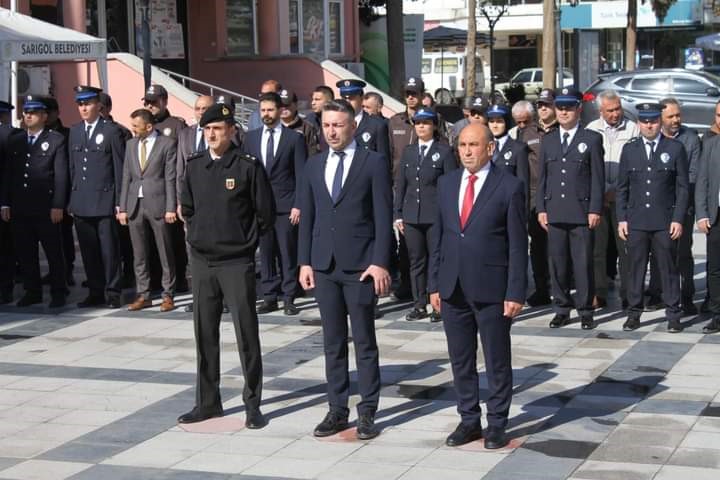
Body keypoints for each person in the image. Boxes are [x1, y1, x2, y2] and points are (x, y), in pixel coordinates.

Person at [298, 99, 392, 440]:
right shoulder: (314, 164)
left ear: (353, 126)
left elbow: (383, 216)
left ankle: (367, 410)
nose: (331, 131)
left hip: (360, 266)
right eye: (326, 125)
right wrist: (304, 261)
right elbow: (307, 217)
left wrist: (380, 261)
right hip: (324, 265)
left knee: (364, 341)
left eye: (338, 125)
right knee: (332, 341)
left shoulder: (373, 162)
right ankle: (337, 409)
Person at [429, 123, 527, 449]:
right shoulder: (446, 183)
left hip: (492, 288)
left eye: (474, 145)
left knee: (496, 359)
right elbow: (440, 237)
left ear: (490, 149)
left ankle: (497, 422)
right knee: (461, 359)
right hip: (452, 286)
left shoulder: (509, 186)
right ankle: (468, 419)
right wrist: (434, 283)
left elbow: (516, 244)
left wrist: (515, 291)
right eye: (462, 145)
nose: (467, 151)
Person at [178, 103, 274, 427]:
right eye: (207, 129)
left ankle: (252, 404)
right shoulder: (194, 166)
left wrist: (246, 245)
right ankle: (208, 402)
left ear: (232, 130)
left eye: (218, 128)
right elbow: (187, 209)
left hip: (236, 261)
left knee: (246, 334)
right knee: (205, 336)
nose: (212, 134)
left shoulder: (247, 166)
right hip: (203, 261)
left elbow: (264, 214)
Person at [536, 88, 605, 330]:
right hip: (555, 211)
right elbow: (542, 178)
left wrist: (595, 209)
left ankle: (585, 310)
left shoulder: (592, 139)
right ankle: (562, 308)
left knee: (582, 263)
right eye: (560, 107)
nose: (564, 112)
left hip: (581, 211)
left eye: (569, 107)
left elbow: (597, 177)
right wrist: (541, 208)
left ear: (578, 109)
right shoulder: (549, 139)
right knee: (558, 263)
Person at [616, 103, 688, 333]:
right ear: (639, 123)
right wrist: (622, 218)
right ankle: (634, 313)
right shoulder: (630, 150)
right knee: (635, 268)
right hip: (636, 221)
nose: (649, 125)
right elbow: (622, 188)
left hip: (664, 221)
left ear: (660, 122)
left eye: (653, 121)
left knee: (668, 269)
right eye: (645, 121)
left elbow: (682, 188)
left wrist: (678, 218)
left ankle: (673, 314)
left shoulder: (674, 148)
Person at [242, 92, 307, 316]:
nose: (266, 114)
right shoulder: (250, 138)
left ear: (280, 111)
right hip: (260, 206)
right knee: (266, 252)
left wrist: (299, 204)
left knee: (288, 252)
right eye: (263, 111)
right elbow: (246, 174)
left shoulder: (294, 138)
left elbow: (301, 175)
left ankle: (289, 296)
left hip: (286, 205)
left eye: (270, 110)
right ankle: (269, 296)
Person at [0, 96, 68, 308]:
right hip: (20, 206)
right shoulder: (16, 140)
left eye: (34, 112)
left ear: (44, 116)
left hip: (45, 207)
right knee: (26, 253)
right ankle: (33, 291)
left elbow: (61, 176)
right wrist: (5, 203)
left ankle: (58, 291)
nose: (28, 115)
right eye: (26, 111)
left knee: (53, 253)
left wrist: (58, 204)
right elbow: (8, 174)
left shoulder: (55, 139)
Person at [394, 107, 457, 322]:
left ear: (433, 126)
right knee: (416, 261)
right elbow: (401, 184)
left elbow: (451, 185)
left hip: (435, 216)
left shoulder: (445, 151)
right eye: (418, 123)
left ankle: (438, 303)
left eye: (426, 123)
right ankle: (419, 304)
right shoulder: (409, 152)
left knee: (437, 259)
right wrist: (398, 213)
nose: (421, 126)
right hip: (412, 215)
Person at [67, 86, 126, 308]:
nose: (83, 108)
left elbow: (119, 169)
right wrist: (71, 200)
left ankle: (112, 292)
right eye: (80, 104)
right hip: (81, 201)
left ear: (98, 105)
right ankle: (95, 290)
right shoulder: (75, 131)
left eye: (88, 103)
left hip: (104, 200)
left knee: (109, 251)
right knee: (89, 251)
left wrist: (120, 202)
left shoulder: (111, 131)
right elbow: (73, 168)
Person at [645, 97, 702, 314]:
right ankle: (657, 294)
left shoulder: (690, 138)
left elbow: (692, 174)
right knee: (657, 251)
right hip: (657, 207)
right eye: (671, 116)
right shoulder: (653, 138)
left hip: (682, 206)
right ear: (660, 119)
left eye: (678, 115)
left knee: (682, 253)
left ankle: (686, 297)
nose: (676, 119)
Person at [118, 109, 177, 312]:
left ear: (149, 126)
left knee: (164, 251)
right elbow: (126, 176)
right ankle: (143, 294)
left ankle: (168, 294)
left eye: (136, 126)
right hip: (135, 204)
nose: (133, 129)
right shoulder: (130, 145)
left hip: (158, 203)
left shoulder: (167, 144)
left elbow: (170, 178)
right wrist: (123, 207)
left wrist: (171, 207)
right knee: (139, 253)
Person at [586, 90, 640, 310]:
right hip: (598, 200)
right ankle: (599, 292)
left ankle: (629, 293)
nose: (615, 114)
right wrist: (602, 192)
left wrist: (616, 191)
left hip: (623, 199)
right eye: (610, 110)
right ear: (601, 111)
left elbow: (635, 166)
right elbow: (588, 168)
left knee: (626, 249)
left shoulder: (633, 129)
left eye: (617, 109)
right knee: (597, 249)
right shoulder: (591, 130)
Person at [142, 84, 189, 294]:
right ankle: (154, 281)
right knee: (151, 241)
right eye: (147, 102)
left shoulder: (176, 126)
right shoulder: (143, 125)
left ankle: (178, 280)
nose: (150, 106)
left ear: (164, 101)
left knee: (174, 241)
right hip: (149, 193)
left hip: (169, 191)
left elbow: (182, 160)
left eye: (154, 101)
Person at [510, 100, 551, 306]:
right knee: (535, 246)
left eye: (524, 121)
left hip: (544, 192)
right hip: (526, 194)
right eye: (517, 122)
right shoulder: (515, 134)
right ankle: (541, 287)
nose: (521, 126)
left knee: (551, 245)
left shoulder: (541, 134)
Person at [41, 96, 76, 288]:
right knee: (48, 237)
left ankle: (67, 269)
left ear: (56, 112)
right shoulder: (39, 134)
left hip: (62, 194)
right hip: (42, 196)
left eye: (49, 112)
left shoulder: (67, 135)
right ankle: (54, 271)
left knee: (64, 235)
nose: (46, 116)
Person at [695, 99, 720, 334]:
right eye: (719, 115)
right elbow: (702, 181)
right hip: (716, 216)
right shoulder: (711, 144)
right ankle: (717, 314)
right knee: (714, 268)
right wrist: (702, 215)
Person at [336, 79, 391, 168]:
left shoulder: (376, 125)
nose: (348, 102)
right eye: (344, 98)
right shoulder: (334, 124)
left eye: (352, 98)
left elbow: (383, 162)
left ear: (361, 98)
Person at [486, 104, 530, 199]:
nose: (495, 125)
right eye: (491, 121)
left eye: (499, 121)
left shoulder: (518, 148)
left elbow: (523, 185)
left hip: (508, 203)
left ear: (507, 123)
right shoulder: (483, 147)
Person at [0, 101, 20, 304]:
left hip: (5, 201)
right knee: (6, 249)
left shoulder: (10, 135)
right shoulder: (12, 135)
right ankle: (5, 289)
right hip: (6, 201)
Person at [279, 88, 320, 156]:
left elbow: (313, 154)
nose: (283, 108)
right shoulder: (272, 127)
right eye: (280, 105)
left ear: (296, 105)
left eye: (287, 105)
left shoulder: (307, 128)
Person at [306, 85, 334, 151]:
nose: (313, 103)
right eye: (312, 99)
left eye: (317, 100)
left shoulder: (338, 119)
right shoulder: (308, 120)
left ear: (329, 101)